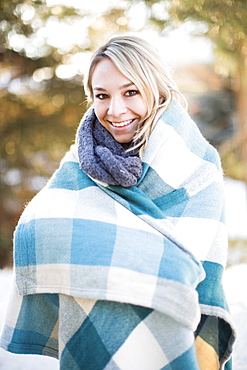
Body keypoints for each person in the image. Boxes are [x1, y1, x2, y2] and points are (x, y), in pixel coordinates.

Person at [0, 35, 236, 369]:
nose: (115, 110)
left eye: (130, 92)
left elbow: (192, 270)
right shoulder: (83, 159)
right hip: (95, 324)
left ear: (156, 89)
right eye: (102, 96)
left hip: (176, 332)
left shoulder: (197, 165)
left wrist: (111, 257)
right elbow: (39, 228)